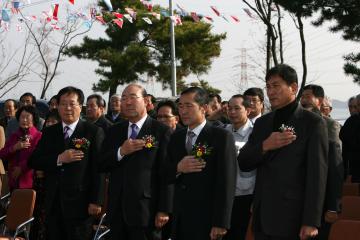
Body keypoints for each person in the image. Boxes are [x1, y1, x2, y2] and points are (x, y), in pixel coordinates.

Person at [238, 64, 328, 240]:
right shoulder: (263, 123)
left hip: (293, 217)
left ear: (293, 88)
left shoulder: (313, 123)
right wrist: (265, 146)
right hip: (263, 216)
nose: (271, 92)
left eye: (276, 86)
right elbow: (244, 162)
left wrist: (311, 221)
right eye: (268, 87)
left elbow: (317, 175)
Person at [29, 86, 105, 240]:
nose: (67, 108)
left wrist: (96, 201)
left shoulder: (93, 131)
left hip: (81, 205)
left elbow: (99, 169)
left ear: (80, 106)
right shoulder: (50, 132)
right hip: (53, 203)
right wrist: (59, 159)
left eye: (72, 103)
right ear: (57, 106)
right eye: (63, 104)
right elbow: (34, 160)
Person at [99, 84, 172, 240]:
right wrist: (121, 152)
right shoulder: (114, 130)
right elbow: (101, 163)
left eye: (133, 97)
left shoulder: (161, 131)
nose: (128, 102)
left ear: (146, 101)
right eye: (124, 98)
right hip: (117, 210)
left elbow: (167, 173)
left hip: (146, 211)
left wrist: (164, 209)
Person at [164, 87, 237, 240]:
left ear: (203, 108)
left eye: (189, 106)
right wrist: (178, 168)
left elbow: (227, 181)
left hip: (207, 219)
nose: (183, 111)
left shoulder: (221, 136)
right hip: (180, 218)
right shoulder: (176, 137)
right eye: (181, 106)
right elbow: (164, 173)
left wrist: (221, 222)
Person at [300, 84, 343, 240]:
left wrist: (333, 206)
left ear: (319, 100)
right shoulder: (296, 123)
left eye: (308, 96)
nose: (304, 100)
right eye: (302, 96)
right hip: (296, 198)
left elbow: (334, 167)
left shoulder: (329, 124)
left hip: (321, 200)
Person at [224, 94, 255, 240]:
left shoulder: (256, 133)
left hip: (246, 196)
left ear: (248, 110)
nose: (232, 112)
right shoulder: (223, 132)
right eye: (229, 108)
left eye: (237, 108)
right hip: (225, 195)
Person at [31, 109, 61, 240]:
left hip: (55, 185)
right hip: (40, 186)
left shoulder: (63, 139)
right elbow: (33, 160)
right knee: (37, 220)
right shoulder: (43, 137)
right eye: (48, 121)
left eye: (53, 121)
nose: (49, 124)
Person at [0, 105, 42, 192]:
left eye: (27, 117)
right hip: (13, 181)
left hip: (30, 181)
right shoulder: (14, 136)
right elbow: (2, 154)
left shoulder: (38, 136)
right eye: (22, 117)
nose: (24, 120)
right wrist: (14, 148)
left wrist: (21, 168)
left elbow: (37, 156)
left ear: (34, 119)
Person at [340, 94, 360, 182]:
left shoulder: (352, 121)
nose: (353, 109)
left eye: (356, 106)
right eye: (350, 106)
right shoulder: (350, 121)